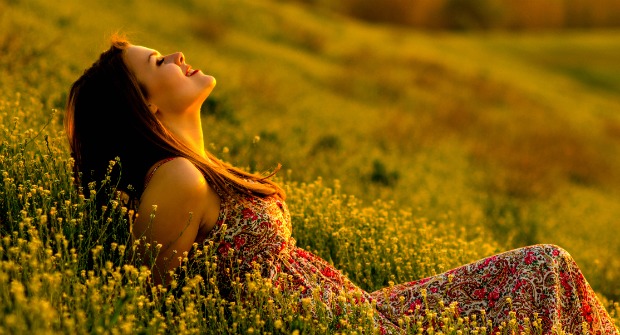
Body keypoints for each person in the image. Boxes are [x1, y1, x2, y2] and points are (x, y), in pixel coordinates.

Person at [65, 34, 618, 334]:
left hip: (359, 312)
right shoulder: (178, 179)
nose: (178, 54)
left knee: (549, 273)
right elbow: (145, 309)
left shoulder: (201, 167)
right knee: (544, 271)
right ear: (147, 105)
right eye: (158, 61)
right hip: (345, 328)